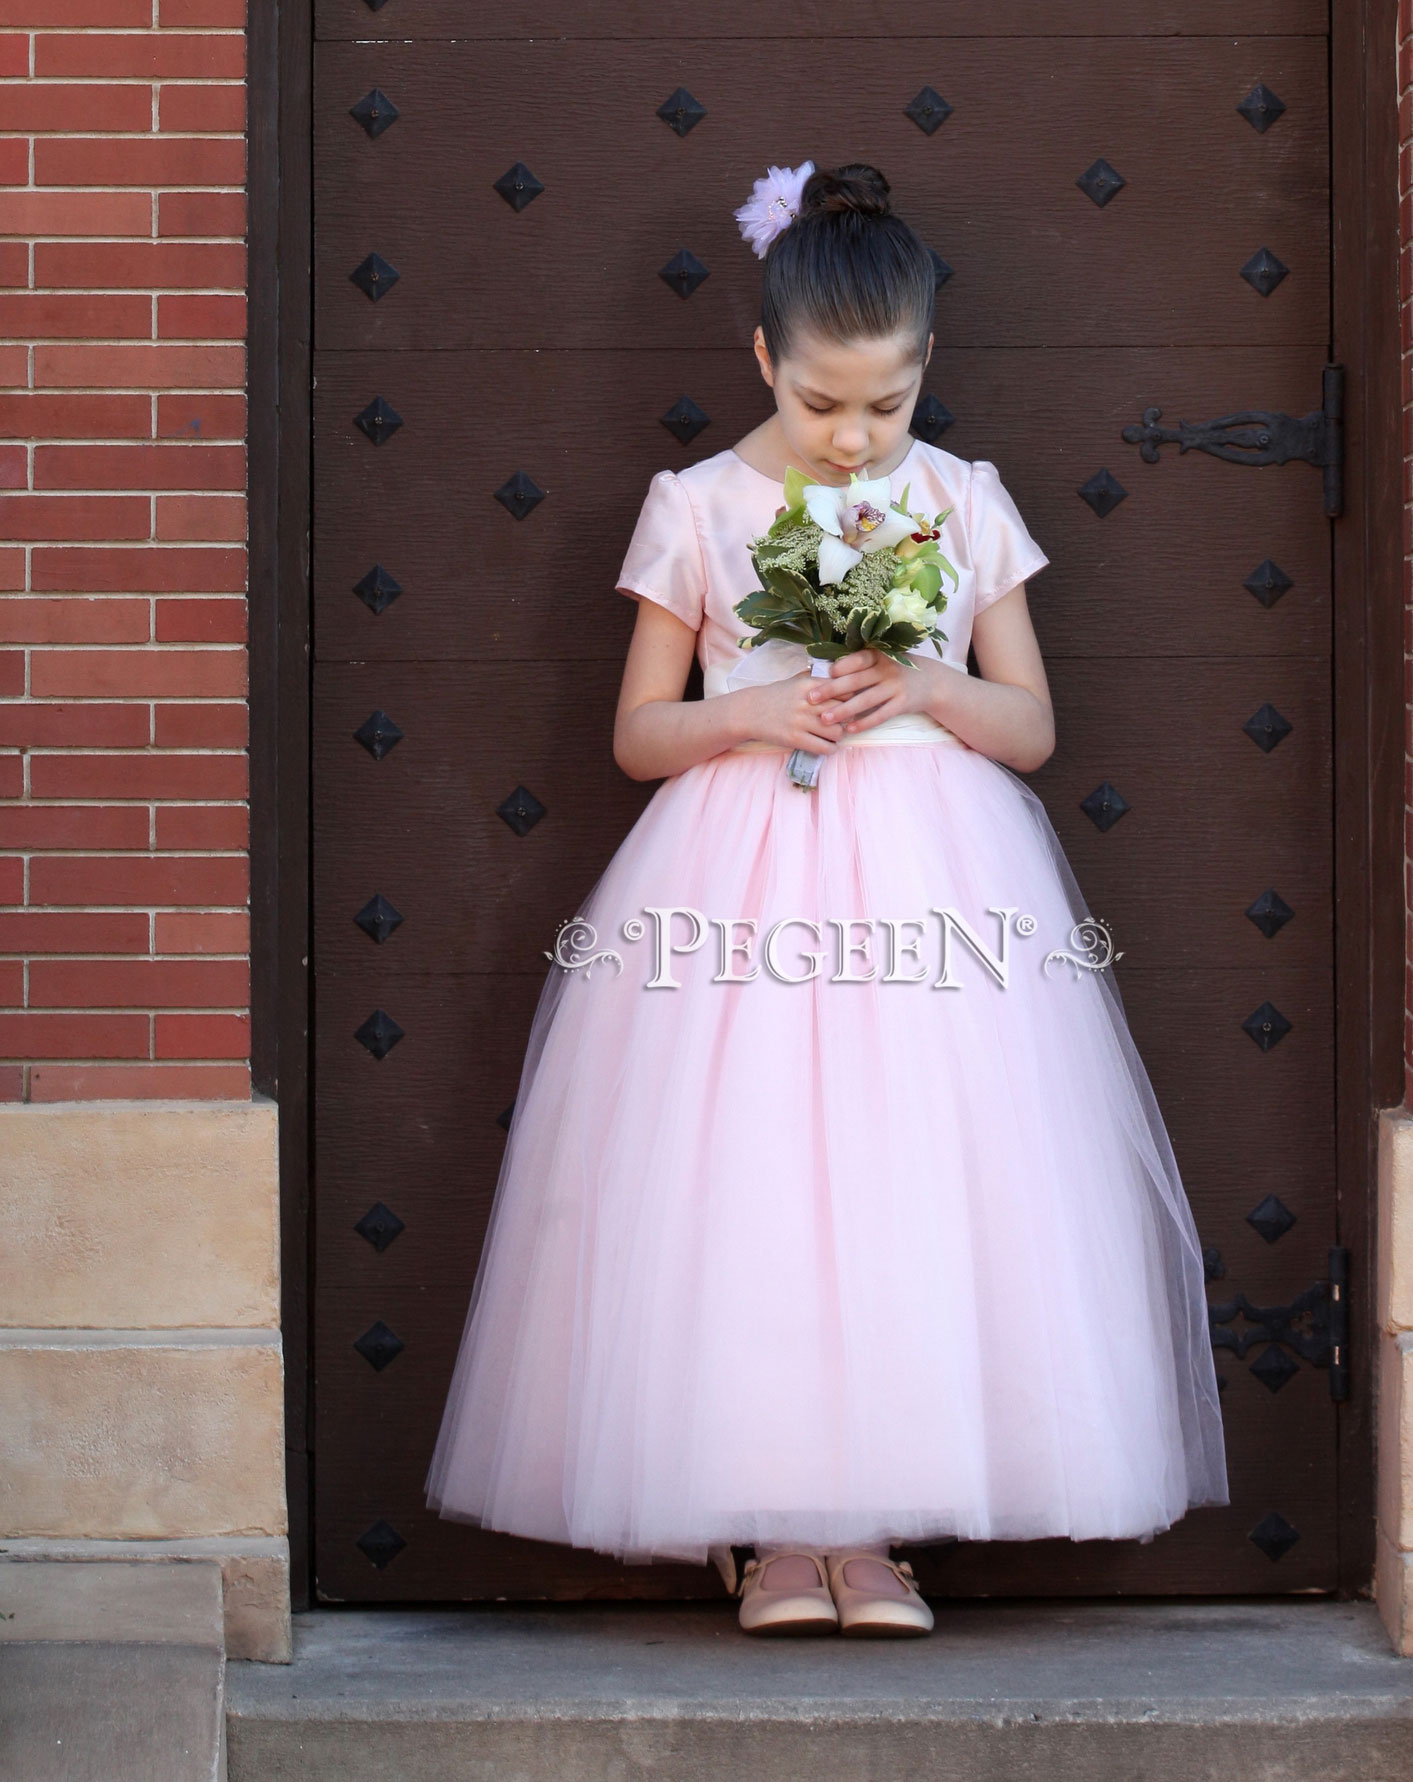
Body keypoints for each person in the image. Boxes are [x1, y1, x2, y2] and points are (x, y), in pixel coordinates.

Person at [426, 160, 1227, 1640]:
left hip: (940, 890)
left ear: (927, 371)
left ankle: (873, 1535)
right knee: (752, 1181)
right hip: (739, 891)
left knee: (915, 1176)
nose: (852, 438)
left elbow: (1031, 726)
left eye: (883, 404)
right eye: (818, 406)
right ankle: (777, 1531)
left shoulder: (961, 500)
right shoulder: (701, 506)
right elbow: (637, 733)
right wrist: (756, 709)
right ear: (761, 363)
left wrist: (930, 682)